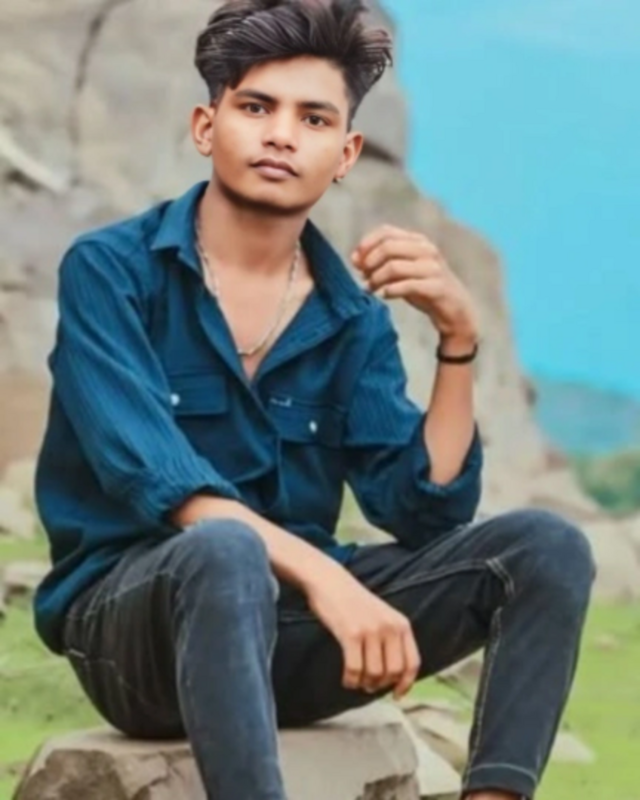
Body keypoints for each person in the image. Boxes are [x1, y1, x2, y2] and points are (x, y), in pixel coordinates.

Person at [33, 1, 595, 798]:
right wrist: (332, 583)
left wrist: (458, 338)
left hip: (292, 635)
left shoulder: (350, 317)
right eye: (256, 107)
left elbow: (425, 511)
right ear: (206, 126)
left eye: (314, 118)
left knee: (546, 548)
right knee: (223, 551)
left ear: (346, 153)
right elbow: (154, 478)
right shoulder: (110, 272)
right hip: (134, 635)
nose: (281, 135)